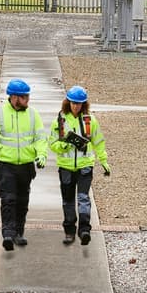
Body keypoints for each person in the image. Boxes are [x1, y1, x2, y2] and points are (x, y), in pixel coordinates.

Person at [0, 79, 46, 251]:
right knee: (9, 199)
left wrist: (42, 155)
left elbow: (40, 138)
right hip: (6, 165)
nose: (28, 99)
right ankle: (8, 234)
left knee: (22, 201)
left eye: (28, 96)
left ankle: (18, 233)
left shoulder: (33, 114)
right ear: (14, 97)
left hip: (25, 166)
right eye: (24, 97)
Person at [51, 86, 113, 246]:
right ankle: (70, 231)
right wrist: (63, 146)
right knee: (68, 200)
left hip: (85, 165)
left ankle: (84, 230)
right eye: (73, 103)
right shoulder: (60, 120)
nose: (76, 106)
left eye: (79, 104)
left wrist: (103, 160)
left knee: (83, 198)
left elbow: (98, 142)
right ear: (68, 102)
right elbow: (52, 143)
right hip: (65, 167)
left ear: (84, 104)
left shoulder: (90, 121)